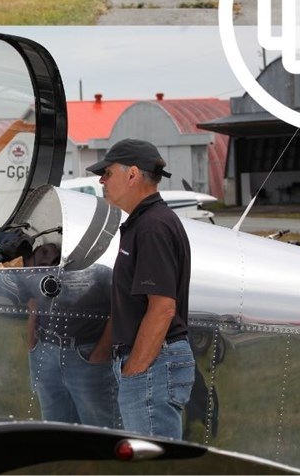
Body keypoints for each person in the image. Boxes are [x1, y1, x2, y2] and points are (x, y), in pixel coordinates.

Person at [87, 140, 193, 441]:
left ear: (132, 174)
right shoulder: (146, 222)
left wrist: (135, 371)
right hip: (154, 363)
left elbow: (162, 307)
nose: (101, 180)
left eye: (107, 173)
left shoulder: (151, 227)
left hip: (153, 364)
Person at [21, 243, 118, 428]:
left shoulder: (102, 270)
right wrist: (33, 345)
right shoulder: (36, 269)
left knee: (99, 426)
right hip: (44, 351)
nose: (47, 258)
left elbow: (120, 308)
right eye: (44, 252)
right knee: (54, 426)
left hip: (86, 356)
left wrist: (101, 353)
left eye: (54, 254)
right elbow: (32, 303)